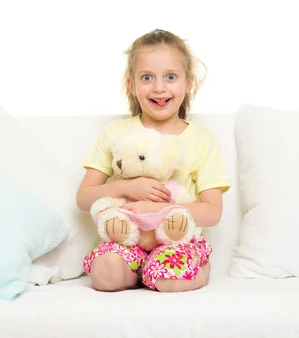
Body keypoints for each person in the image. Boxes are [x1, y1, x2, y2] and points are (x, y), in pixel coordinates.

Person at [76, 28, 230, 293]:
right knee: (104, 277)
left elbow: (212, 212)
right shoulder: (116, 133)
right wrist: (125, 188)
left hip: (175, 241)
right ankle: (138, 272)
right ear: (131, 84)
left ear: (188, 83)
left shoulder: (202, 139)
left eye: (171, 77)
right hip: (126, 239)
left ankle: (196, 271)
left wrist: (157, 211)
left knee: (169, 280)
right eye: (147, 77)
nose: (159, 88)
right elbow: (83, 198)